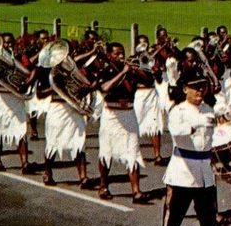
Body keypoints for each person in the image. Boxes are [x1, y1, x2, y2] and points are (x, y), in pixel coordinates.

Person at [158, 71, 231, 226]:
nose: (200, 90)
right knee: (173, 218)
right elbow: (177, 131)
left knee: (210, 223)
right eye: (195, 86)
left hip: (203, 171)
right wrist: (200, 122)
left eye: (202, 86)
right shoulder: (179, 110)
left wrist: (226, 117)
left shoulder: (209, 109)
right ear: (185, 89)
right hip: (182, 170)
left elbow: (219, 138)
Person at [35, 39, 94, 188]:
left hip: (74, 109)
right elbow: (40, 94)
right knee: (53, 142)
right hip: (57, 108)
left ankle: (83, 177)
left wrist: (86, 89)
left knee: (79, 142)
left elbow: (85, 87)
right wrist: (54, 88)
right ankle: (48, 172)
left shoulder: (74, 68)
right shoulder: (46, 70)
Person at [96, 43, 151, 203]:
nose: (121, 56)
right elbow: (105, 88)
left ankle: (136, 191)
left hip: (129, 114)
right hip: (111, 115)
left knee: (133, 151)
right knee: (106, 151)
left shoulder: (131, 71)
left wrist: (137, 70)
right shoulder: (106, 71)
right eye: (117, 54)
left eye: (122, 53)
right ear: (109, 55)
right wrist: (123, 73)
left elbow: (148, 81)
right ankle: (103, 186)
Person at [0, 33, 38, 173]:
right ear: (1, 45)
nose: (9, 45)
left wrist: (27, 83)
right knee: (0, 130)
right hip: (1, 98)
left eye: (11, 43)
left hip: (16, 97)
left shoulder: (20, 57)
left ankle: (25, 163)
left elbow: (32, 71)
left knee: (21, 130)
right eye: (6, 43)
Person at [135, 35, 168, 166]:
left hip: (152, 93)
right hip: (139, 94)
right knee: (136, 122)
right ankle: (136, 153)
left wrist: (155, 72)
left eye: (146, 44)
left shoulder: (152, 60)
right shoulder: (133, 60)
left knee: (156, 122)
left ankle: (157, 155)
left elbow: (159, 80)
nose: (144, 47)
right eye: (141, 44)